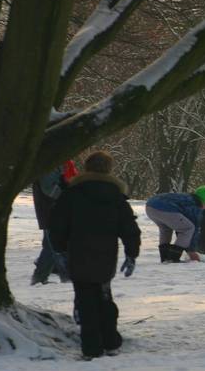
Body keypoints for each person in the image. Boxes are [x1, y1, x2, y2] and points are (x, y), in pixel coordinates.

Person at [49, 151, 141, 359]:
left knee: (85, 298)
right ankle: (110, 340)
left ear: (87, 168)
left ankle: (91, 347)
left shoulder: (72, 193)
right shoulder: (116, 196)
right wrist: (131, 253)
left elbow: (58, 224)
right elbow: (129, 228)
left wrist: (60, 249)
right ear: (109, 169)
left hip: (78, 252)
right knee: (104, 295)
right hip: (106, 254)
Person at [31, 160, 78, 285]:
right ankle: (65, 276)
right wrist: (68, 195)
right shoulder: (50, 163)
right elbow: (49, 188)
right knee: (54, 245)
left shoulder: (60, 162)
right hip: (51, 211)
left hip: (56, 210)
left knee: (51, 244)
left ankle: (40, 277)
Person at [146, 186, 205, 262]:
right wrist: (191, 251)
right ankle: (173, 258)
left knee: (166, 229)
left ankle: (165, 257)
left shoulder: (186, 198)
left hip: (150, 206)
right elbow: (194, 229)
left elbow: (179, 227)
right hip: (165, 208)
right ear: (203, 201)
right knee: (189, 228)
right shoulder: (195, 205)